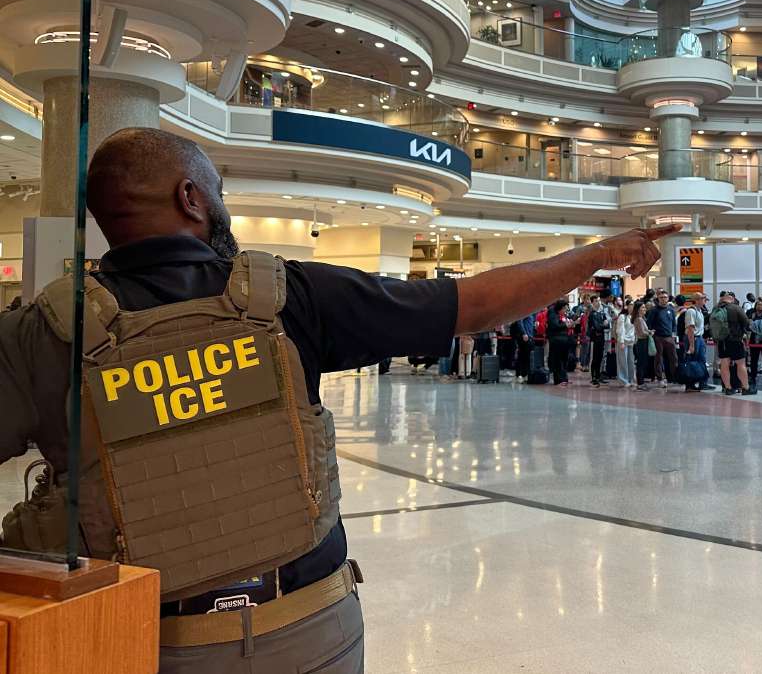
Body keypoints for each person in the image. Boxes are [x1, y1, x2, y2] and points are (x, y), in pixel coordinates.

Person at [0, 127, 676, 673]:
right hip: (306, 629)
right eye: (218, 190)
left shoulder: (45, 333)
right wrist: (596, 255)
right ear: (191, 198)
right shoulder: (289, 297)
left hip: (143, 640)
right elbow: (471, 306)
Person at [715, 292, 755, 395]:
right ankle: (746, 388)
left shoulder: (716, 308)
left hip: (722, 341)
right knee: (740, 364)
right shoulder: (736, 308)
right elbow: (746, 323)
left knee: (724, 363)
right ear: (732, 299)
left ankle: (728, 388)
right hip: (735, 340)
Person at [647, 290, 678, 386]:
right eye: (661, 297)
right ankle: (660, 378)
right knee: (658, 359)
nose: (663, 299)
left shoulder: (671, 310)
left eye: (665, 297)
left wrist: (674, 335)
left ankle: (674, 377)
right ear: (658, 299)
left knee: (673, 358)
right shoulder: (654, 310)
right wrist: (652, 333)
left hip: (669, 337)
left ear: (668, 299)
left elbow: (674, 324)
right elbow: (649, 324)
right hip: (658, 337)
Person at [681, 294, 708, 392]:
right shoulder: (691, 311)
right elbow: (690, 329)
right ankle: (690, 384)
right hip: (693, 339)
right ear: (696, 300)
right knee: (692, 361)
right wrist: (692, 345)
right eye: (703, 299)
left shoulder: (699, 311)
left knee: (701, 360)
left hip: (699, 338)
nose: (705, 301)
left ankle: (702, 382)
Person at [547, 299, 576, 385]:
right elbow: (555, 325)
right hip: (556, 340)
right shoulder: (553, 313)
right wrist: (566, 325)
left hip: (564, 340)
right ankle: (558, 379)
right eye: (565, 309)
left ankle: (564, 378)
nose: (566, 311)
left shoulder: (561, 315)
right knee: (557, 360)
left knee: (564, 359)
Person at [586, 295, 610, 387]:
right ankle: (593, 377)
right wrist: (603, 324)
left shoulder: (602, 313)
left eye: (599, 300)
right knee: (595, 358)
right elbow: (597, 326)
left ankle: (598, 375)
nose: (598, 302)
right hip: (595, 338)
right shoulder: (592, 314)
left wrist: (604, 324)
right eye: (596, 301)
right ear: (592, 303)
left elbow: (607, 325)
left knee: (600, 357)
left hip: (601, 338)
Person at [614, 301, 637, 387]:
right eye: (630, 305)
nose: (632, 308)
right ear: (627, 306)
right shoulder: (622, 317)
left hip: (631, 342)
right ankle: (623, 380)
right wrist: (621, 342)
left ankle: (631, 379)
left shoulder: (633, 317)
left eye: (633, 306)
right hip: (623, 342)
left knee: (631, 361)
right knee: (622, 361)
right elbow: (620, 330)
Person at [510, 313, 536, 383]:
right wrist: (524, 333)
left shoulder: (532, 313)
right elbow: (519, 322)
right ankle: (519, 375)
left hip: (529, 337)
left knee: (526, 357)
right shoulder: (526, 312)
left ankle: (524, 375)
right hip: (524, 338)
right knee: (522, 356)